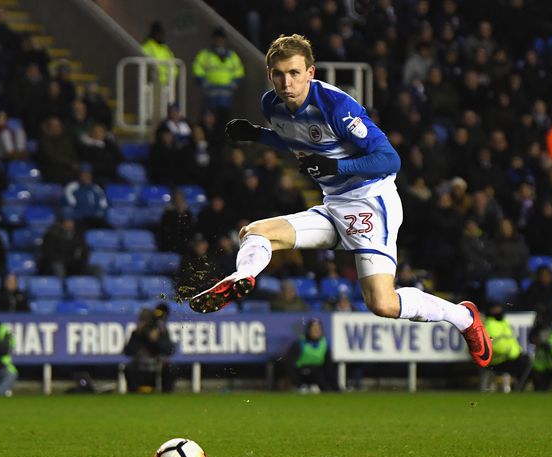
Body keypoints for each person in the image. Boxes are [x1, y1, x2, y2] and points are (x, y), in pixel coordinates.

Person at [189, 34, 492, 368]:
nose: (286, 82)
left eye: (294, 73)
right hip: (333, 204)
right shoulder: (271, 105)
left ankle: (464, 317)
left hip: (370, 203)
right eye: (278, 74)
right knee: (255, 232)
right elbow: (297, 141)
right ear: (269, 74)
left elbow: (389, 160)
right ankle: (241, 276)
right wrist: (258, 135)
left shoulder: (336, 105)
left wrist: (337, 165)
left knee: (383, 303)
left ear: (310, 72)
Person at [192, 27, 245, 129]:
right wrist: (204, 83)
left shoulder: (232, 56)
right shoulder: (205, 55)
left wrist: (233, 84)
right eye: (217, 39)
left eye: (221, 39)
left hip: (226, 99)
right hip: (210, 98)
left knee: (227, 124)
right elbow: (197, 69)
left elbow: (239, 72)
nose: (219, 41)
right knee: (208, 124)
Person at [123, 304, 175, 393]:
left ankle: (166, 393)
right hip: (139, 365)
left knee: (170, 368)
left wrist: (156, 341)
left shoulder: (161, 332)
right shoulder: (136, 333)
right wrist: (138, 336)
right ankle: (134, 393)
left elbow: (169, 350)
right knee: (128, 368)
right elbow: (128, 351)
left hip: (157, 364)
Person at [483, 302, 532, 392]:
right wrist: (508, 352)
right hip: (497, 361)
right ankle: (518, 388)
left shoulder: (504, 322)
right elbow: (492, 346)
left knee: (527, 362)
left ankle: (518, 387)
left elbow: (510, 340)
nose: (499, 310)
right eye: (496, 309)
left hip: (509, 358)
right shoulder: (488, 325)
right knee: (525, 363)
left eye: (499, 308)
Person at [286, 318, 333, 393]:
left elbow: (329, 365)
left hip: (318, 372)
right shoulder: (300, 343)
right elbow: (289, 364)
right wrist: (299, 383)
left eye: (318, 328)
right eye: (313, 328)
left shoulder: (324, 343)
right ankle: (303, 387)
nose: (316, 331)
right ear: (308, 330)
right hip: (302, 371)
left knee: (322, 373)